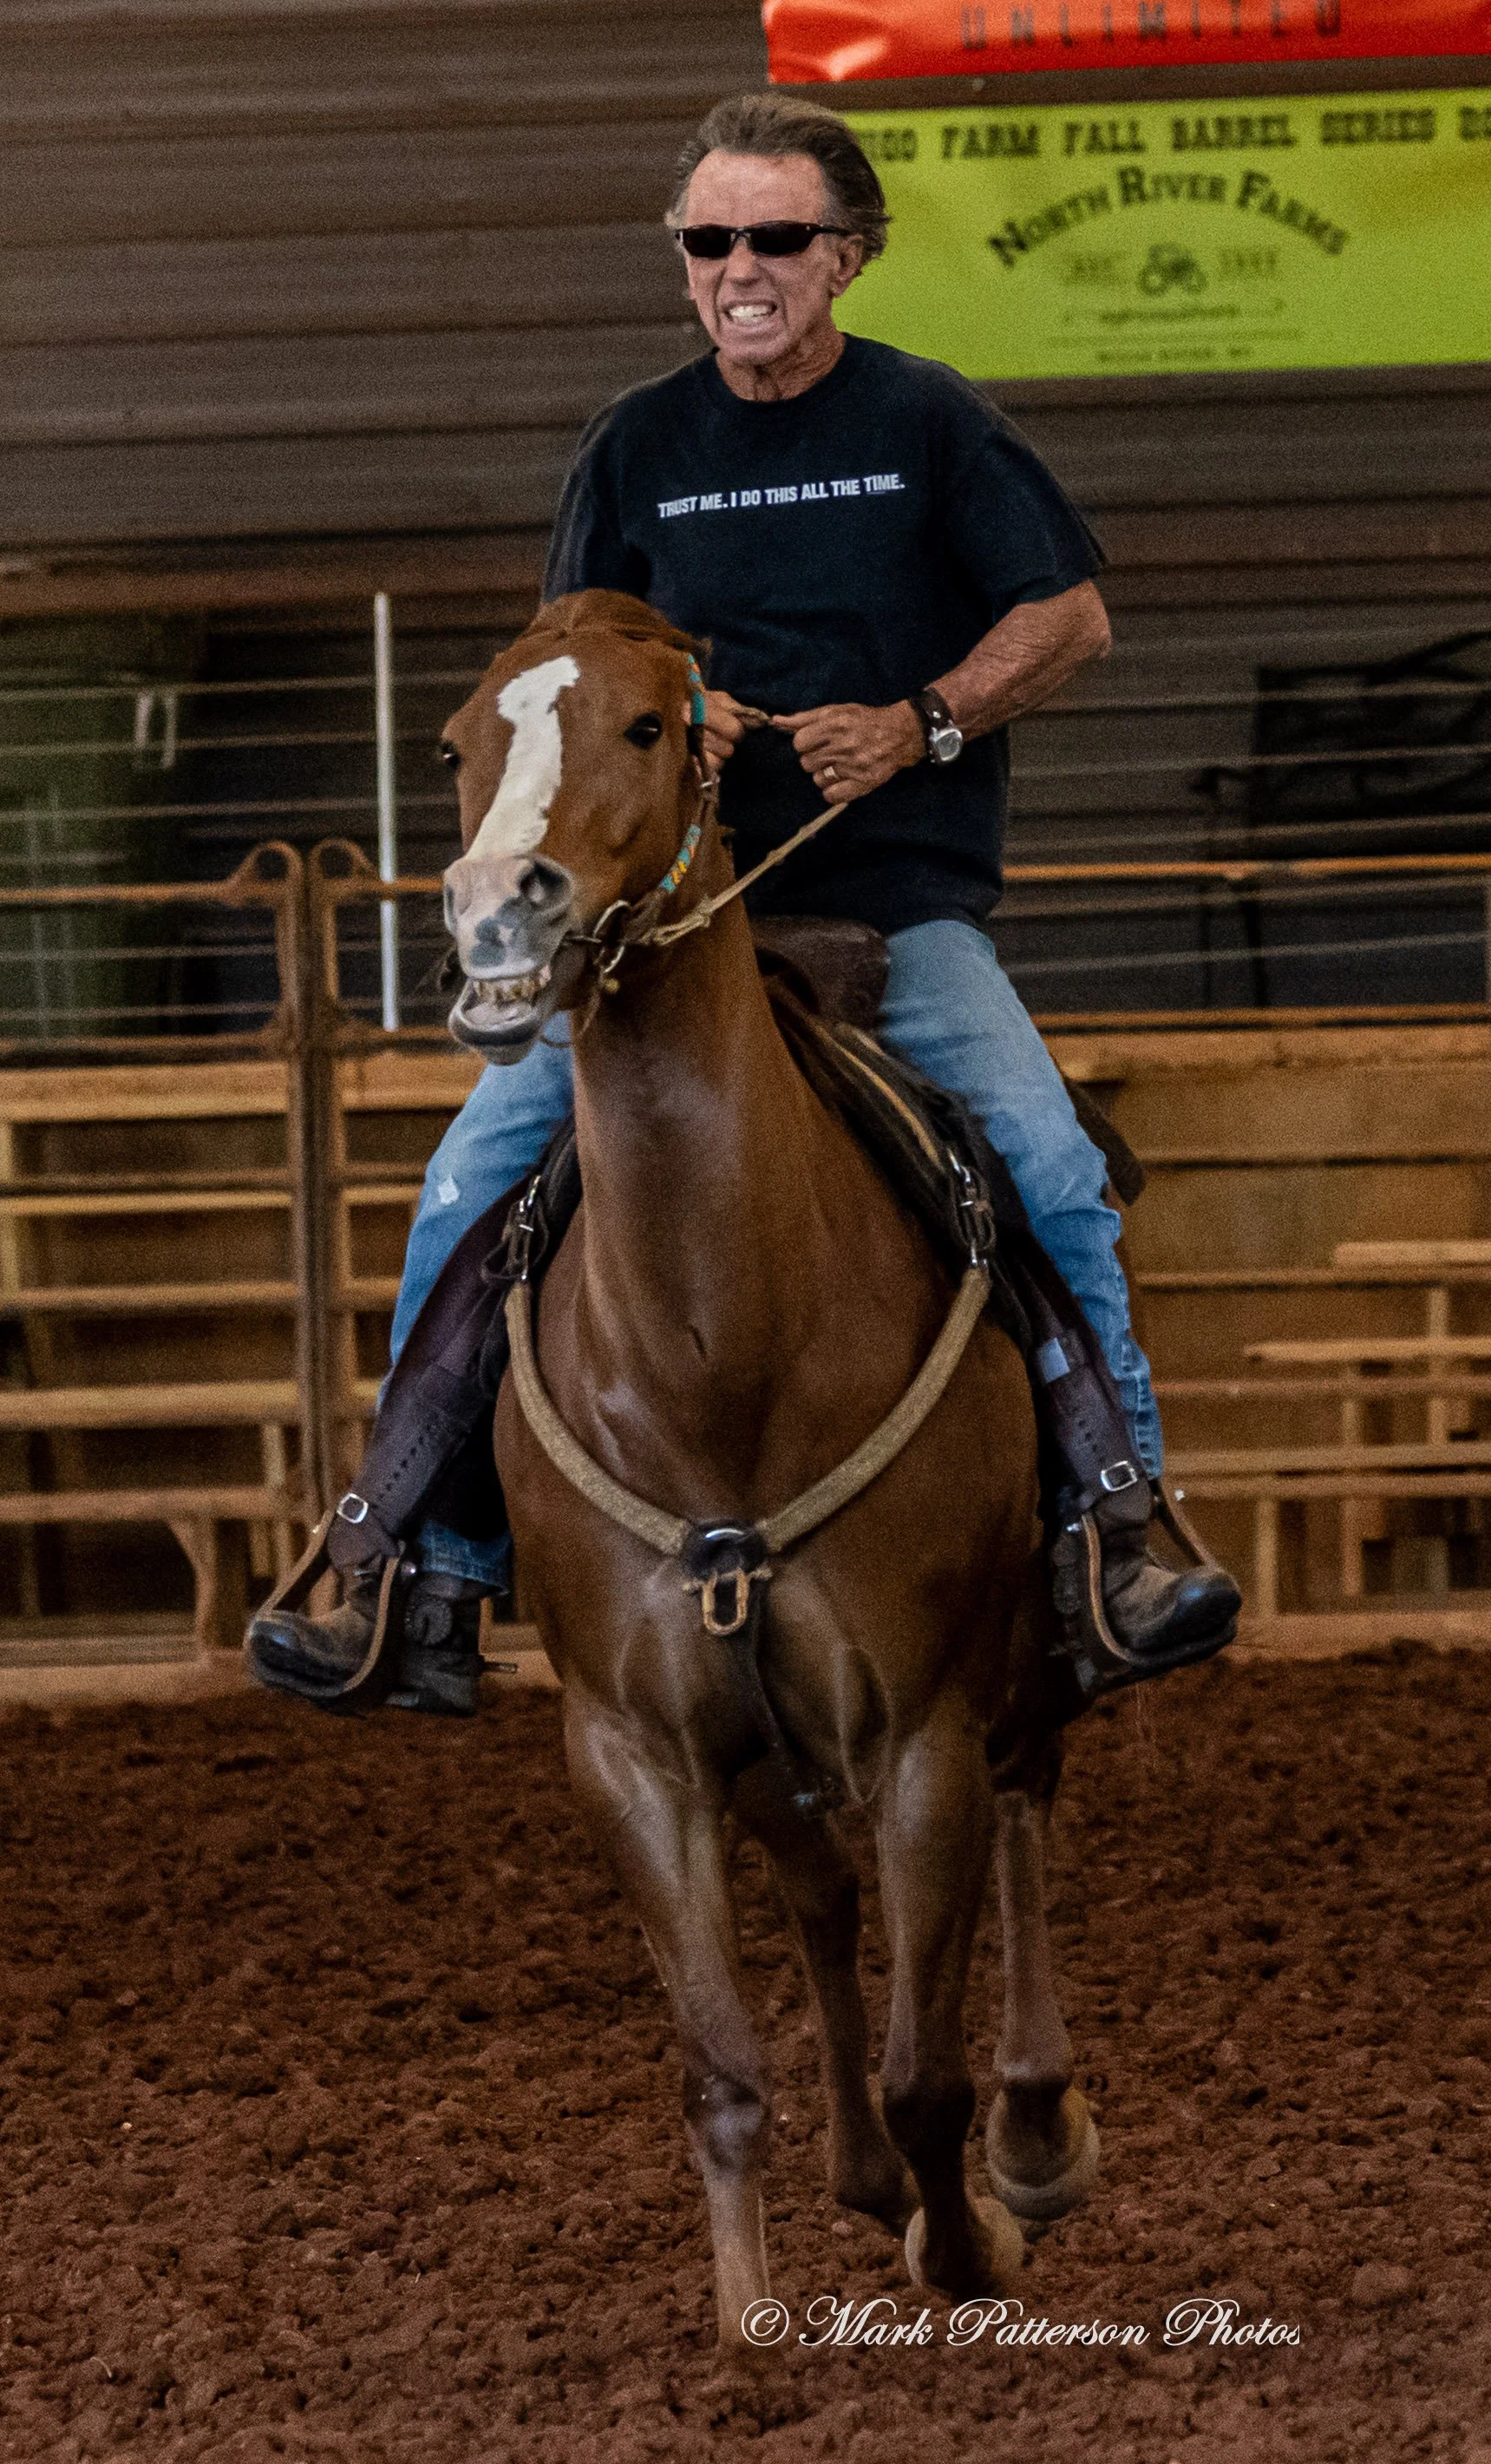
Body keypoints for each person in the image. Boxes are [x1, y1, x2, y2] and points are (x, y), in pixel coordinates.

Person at [251, 92, 1239, 1716]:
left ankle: (1113, 1537)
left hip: (891, 908)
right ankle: (413, 1567)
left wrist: (920, 722)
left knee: (1047, 1165)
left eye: (776, 235)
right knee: (464, 1186)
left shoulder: (928, 421)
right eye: (709, 239)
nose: (739, 267)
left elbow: (1066, 617)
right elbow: (567, 657)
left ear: (846, 255)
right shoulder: (636, 443)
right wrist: (670, 697)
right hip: (652, 929)